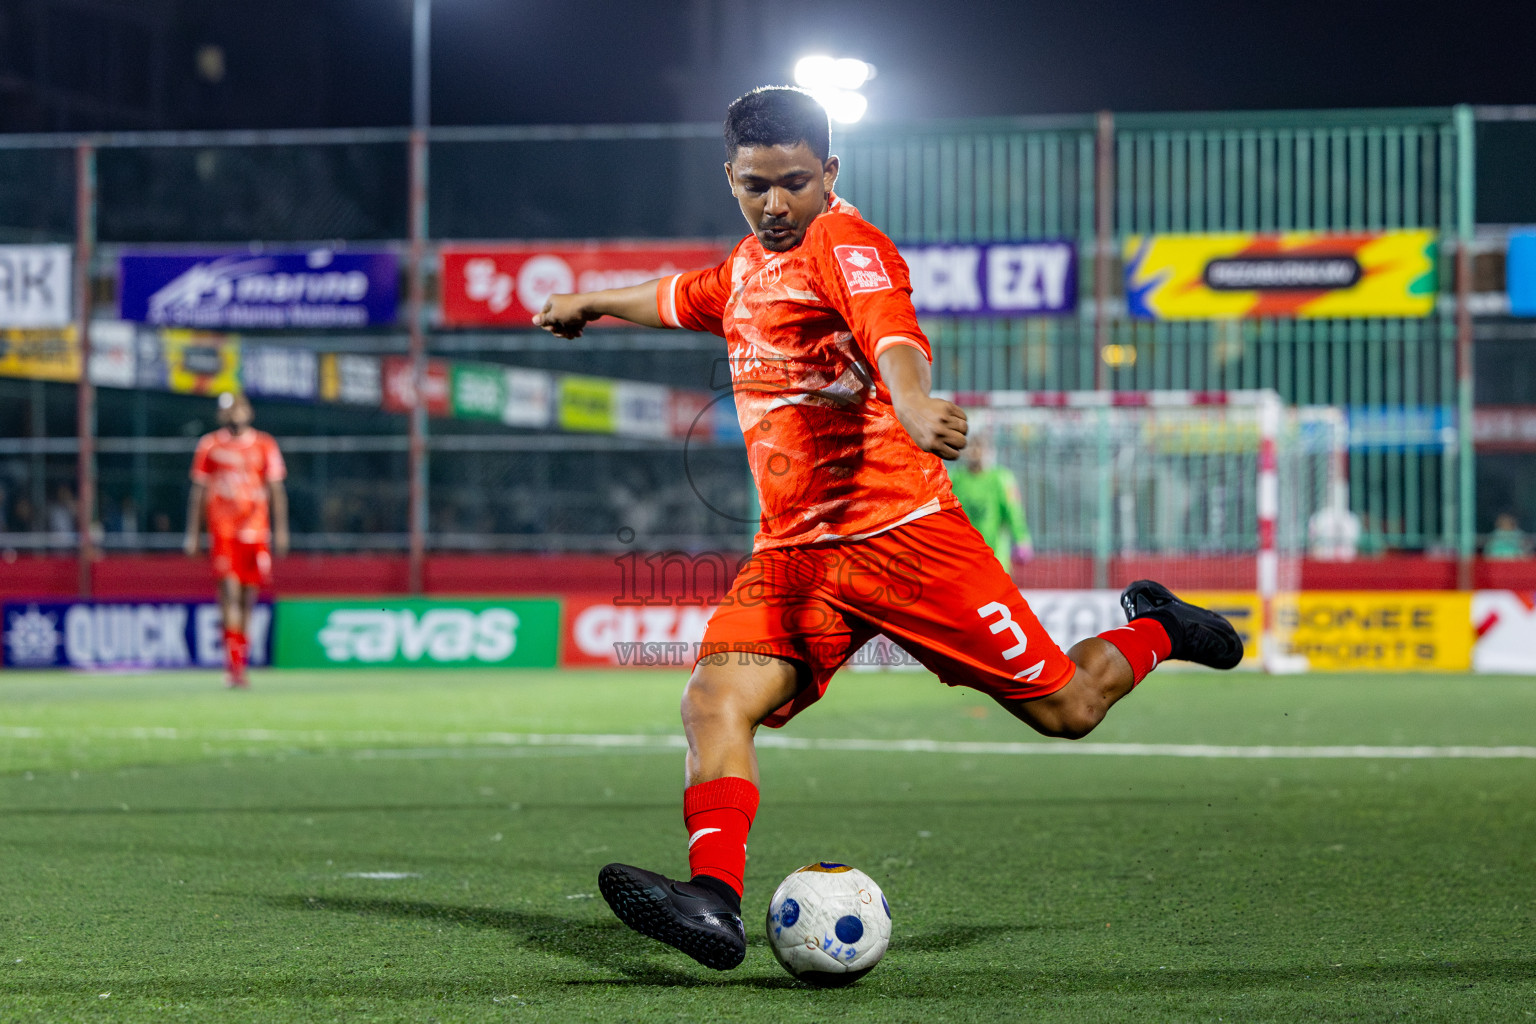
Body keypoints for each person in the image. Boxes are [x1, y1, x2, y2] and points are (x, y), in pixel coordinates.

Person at [534, 86, 1242, 971]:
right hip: (795, 555)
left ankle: (1158, 627)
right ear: (731, 178)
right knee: (714, 699)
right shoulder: (748, 267)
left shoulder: (846, 242)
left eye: (795, 181)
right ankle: (713, 901)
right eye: (756, 185)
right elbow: (675, 295)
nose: (776, 202)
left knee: (1069, 709)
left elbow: (889, 328)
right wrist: (591, 300)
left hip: (905, 540)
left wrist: (908, 400)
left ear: (830, 171)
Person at [183, 392, 288, 688]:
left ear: (249, 412)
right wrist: (193, 534)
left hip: (255, 532)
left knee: (248, 599)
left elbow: (276, 489)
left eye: (238, 408)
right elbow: (199, 492)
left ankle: (239, 660)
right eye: (228, 410)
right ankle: (234, 668)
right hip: (224, 532)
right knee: (228, 593)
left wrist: (281, 531)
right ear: (221, 415)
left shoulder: (265, 444)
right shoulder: (209, 445)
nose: (234, 414)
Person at [947, 435, 1032, 573]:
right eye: (971, 447)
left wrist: (1022, 539)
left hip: (995, 553)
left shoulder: (1001, 479)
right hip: (963, 554)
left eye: (980, 447)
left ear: (990, 451)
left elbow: (1014, 512)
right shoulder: (955, 478)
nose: (975, 451)